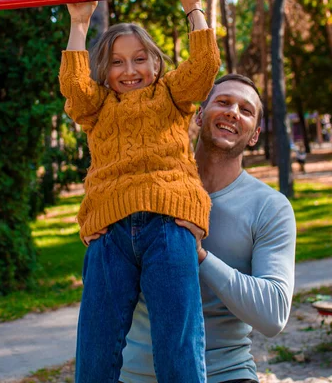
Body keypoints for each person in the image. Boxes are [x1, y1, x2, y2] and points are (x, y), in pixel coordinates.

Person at [59, 0, 221, 383]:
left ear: (155, 62)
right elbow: (75, 90)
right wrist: (79, 22)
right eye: (116, 61)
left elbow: (204, 67)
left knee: (178, 347)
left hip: (168, 224)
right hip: (108, 231)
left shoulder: (170, 94)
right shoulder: (97, 107)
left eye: (138, 59)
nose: (129, 70)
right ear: (105, 68)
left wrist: (192, 6)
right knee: (95, 350)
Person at [119, 73, 297, 383]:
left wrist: (200, 255)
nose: (232, 112)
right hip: (137, 373)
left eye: (245, 110)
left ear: (254, 135)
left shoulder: (270, 208)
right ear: (200, 115)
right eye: (224, 102)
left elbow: (273, 315)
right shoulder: (146, 188)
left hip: (225, 372)